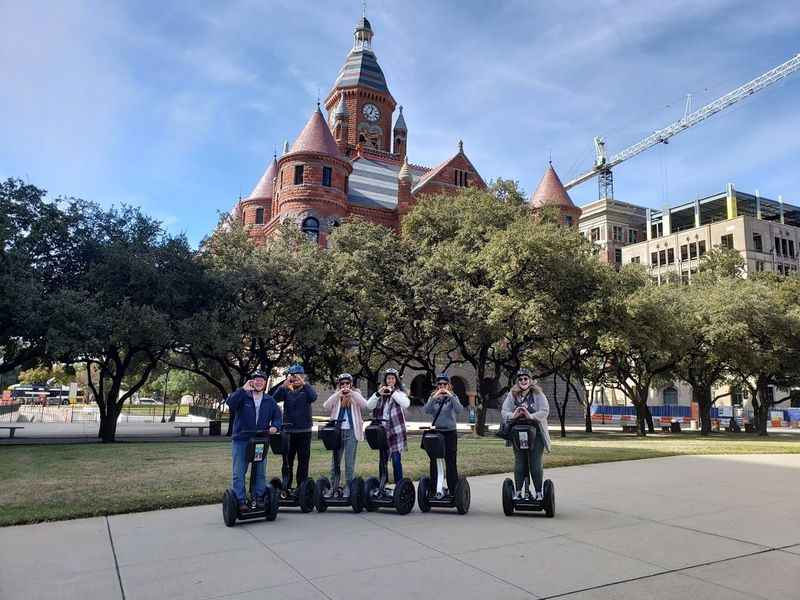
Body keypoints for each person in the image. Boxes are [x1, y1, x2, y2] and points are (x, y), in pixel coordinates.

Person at [225, 370, 282, 512]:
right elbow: (230, 403)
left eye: (262, 380)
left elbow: (277, 417)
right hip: (242, 439)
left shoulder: (269, 400)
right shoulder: (243, 396)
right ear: (252, 381)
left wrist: (275, 427)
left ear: (265, 383)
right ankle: (240, 500)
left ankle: (258, 497)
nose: (259, 382)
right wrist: (242, 389)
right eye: (256, 379)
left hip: (260, 441)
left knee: (260, 470)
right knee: (239, 472)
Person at [500, 368, 551, 501]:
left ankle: (539, 493)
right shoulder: (512, 395)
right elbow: (504, 411)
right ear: (518, 381)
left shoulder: (538, 394)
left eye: (525, 379)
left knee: (535, 463)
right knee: (520, 462)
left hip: (537, 434)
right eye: (520, 379)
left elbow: (545, 411)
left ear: (530, 380)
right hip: (519, 433)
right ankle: (518, 492)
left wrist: (531, 415)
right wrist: (514, 414)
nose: (523, 381)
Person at [272, 364, 317, 489]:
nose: (295, 378)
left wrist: (304, 383)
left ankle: (301, 487)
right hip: (288, 431)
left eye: (298, 375)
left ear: (303, 376)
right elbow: (273, 399)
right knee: (287, 461)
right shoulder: (286, 390)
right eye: (293, 375)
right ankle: (286, 486)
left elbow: (313, 397)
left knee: (303, 461)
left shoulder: (306, 390)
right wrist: (283, 386)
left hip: (304, 431)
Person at [322, 373, 368, 496]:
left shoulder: (355, 395)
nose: (345, 386)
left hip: (351, 432)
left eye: (347, 383)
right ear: (339, 385)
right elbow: (326, 406)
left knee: (349, 463)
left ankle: (349, 486)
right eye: (342, 384)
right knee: (335, 462)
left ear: (351, 384)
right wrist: (338, 394)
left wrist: (352, 393)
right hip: (337, 432)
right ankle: (333, 487)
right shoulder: (337, 396)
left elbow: (365, 405)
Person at [366, 368, 410, 483]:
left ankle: (399, 486)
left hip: (396, 430)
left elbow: (406, 403)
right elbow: (369, 406)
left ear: (396, 380)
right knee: (383, 460)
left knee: (396, 459)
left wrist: (393, 392)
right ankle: (382, 485)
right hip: (382, 431)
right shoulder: (380, 393)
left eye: (392, 378)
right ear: (385, 380)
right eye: (388, 378)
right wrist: (378, 393)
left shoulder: (399, 393)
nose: (390, 380)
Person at [423, 373, 463, 496]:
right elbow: (426, 410)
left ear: (448, 385)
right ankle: (435, 489)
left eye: (444, 384)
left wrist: (450, 396)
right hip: (437, 434)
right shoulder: (433, 397)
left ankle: (453, 490)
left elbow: (459, 410)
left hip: (450, 433)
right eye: (439, 384)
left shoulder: (453, 397)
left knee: (451, 462)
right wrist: (434, 397)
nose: (442, 386)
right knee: (434, 462)